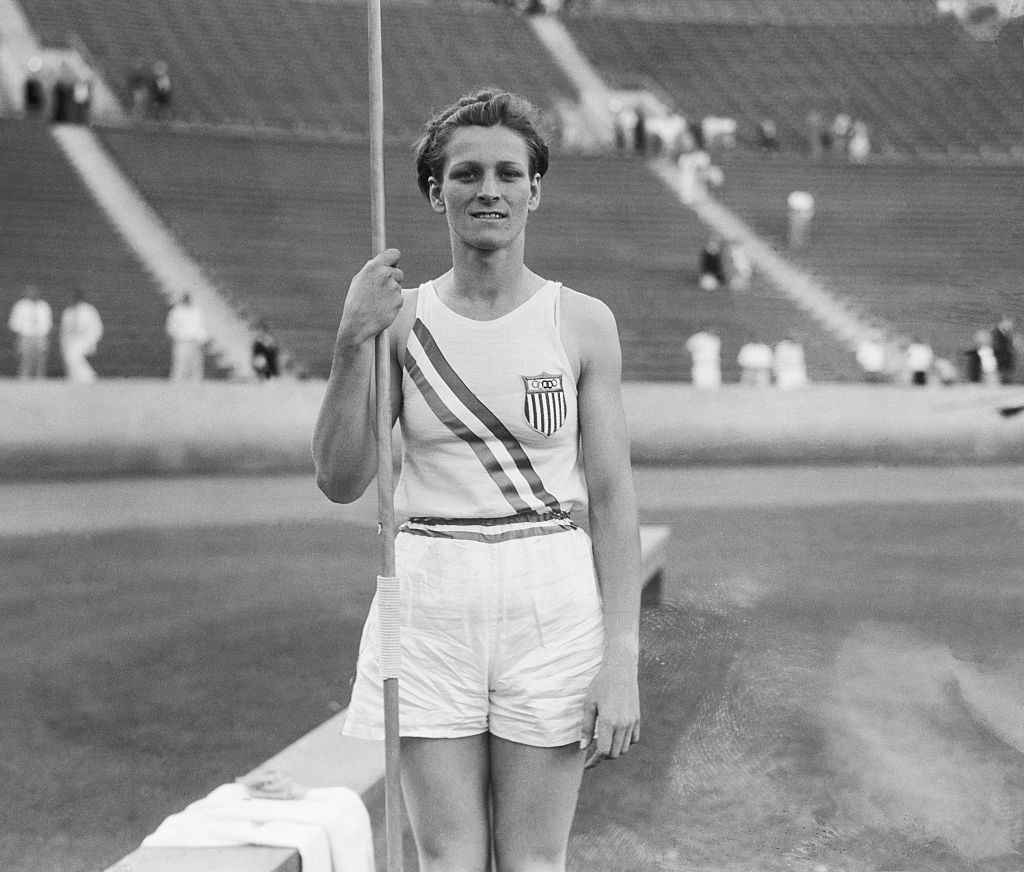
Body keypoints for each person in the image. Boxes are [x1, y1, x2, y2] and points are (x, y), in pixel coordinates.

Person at [312, 90, 641, 872]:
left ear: (535, 188)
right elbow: (340, 477)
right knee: (448, 859)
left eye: (507, 172)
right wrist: (352, 339)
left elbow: (615, 496)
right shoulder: (398, 318)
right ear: (436, 192)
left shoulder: (582, 321)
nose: (487, 189)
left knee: (533, 861)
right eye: (465, 174)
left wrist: (620, 658)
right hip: (430, 592)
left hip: (548, 591)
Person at [8, 284, 53, 379]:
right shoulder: (20, 305)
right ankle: (24, 380)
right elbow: (15, 323)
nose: (33, 293)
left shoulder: (44, 306)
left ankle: (40, 380)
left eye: (35, 291)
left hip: (40, 337)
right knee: (25, 360)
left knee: (40, 360)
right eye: (30, 291)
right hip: (25, 336)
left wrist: (45, 338)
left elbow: (48, 324)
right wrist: (18, 339)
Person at [59, 289, 104, 383]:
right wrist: (64, 342)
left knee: (73, 355)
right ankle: (74, 377)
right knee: (70, 356)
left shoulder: (88, 310)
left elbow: (97, 326)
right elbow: (64, 330)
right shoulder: (68, 311)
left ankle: (89, 376)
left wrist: (92, 340)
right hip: (71, 339)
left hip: (86, 338)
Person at [165, 292, 208, 382]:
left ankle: (196, 385)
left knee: (196, 366)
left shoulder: (196, 310)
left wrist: (203, 339)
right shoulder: (177, 311)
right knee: (181, 364)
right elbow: (171, 326)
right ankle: (178, 385)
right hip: (182, 342)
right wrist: (176, 337)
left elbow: (201, 325)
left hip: (196, 342)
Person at [992, 315, 1017, 384]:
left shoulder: (1008, 334)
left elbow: (1010, 346)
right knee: (1001, 371)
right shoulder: (996, 332)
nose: (1010, 327)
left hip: (1007, 356)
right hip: (1000, 356)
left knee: (1008, 371)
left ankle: (1007, 382)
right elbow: (996, 345)